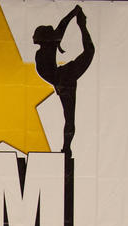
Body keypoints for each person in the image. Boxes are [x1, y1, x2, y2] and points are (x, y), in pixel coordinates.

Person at [33, 4, 94, 158]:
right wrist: (75, 14)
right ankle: (66, 148)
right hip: (63, 78)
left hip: (64, 77)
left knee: (70, 119)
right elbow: (62, 25)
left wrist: (74, 13)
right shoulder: (43, 53)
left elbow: (62, 24)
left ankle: (67, 148)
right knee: (69, 119)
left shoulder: (48, 46)